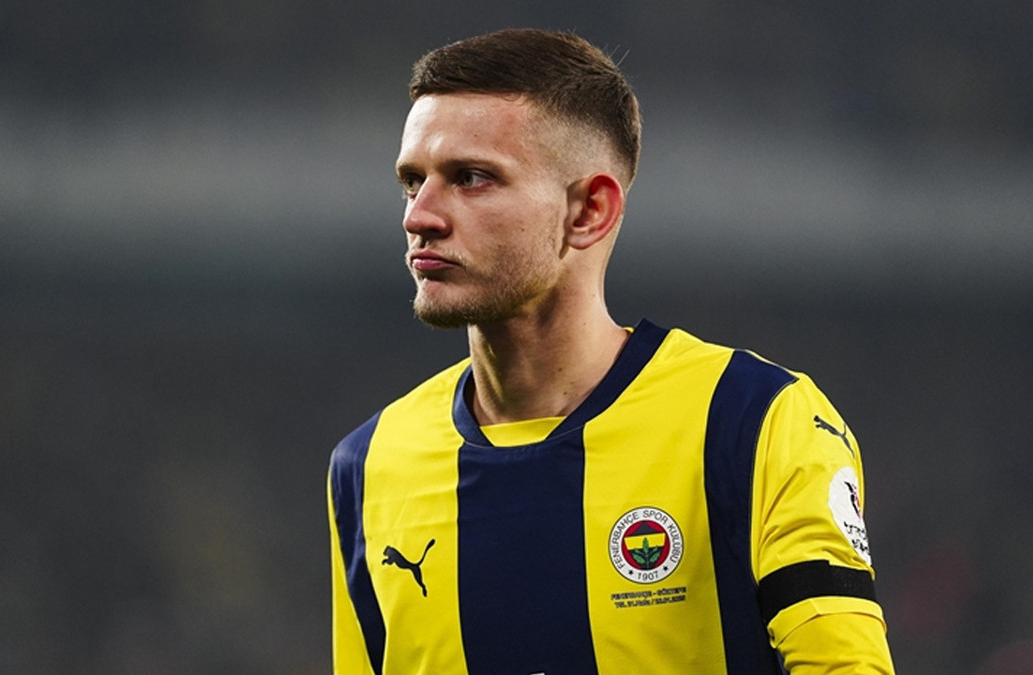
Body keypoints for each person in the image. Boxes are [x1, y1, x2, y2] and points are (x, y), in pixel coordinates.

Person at [327, 28, 894, 674]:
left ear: (588, 211)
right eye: (412, 181)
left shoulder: (754, 421)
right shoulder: (367, 465)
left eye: (471, 178)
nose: (419, 216)